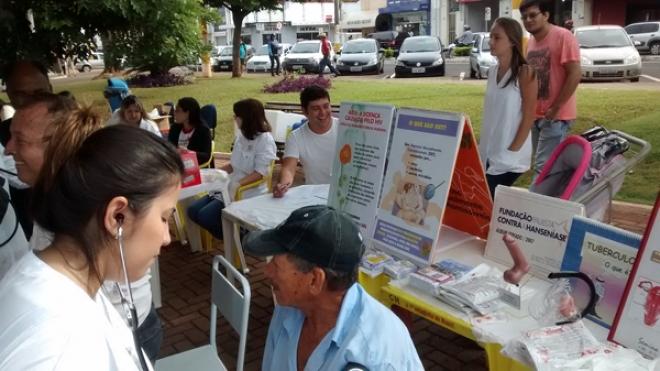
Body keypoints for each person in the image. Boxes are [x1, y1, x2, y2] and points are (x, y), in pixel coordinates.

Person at [0, 121, 184, 370]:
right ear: (118, 216)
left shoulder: (68, 283)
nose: (167, 237)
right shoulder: (57, 346)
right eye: (163, 217)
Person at [243, 205, 423, 370]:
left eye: (275, 263)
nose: (266, 271)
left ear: (314, 280)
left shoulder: (374, 356)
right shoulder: (288, 308)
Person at [187, 98, 276, 239]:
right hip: (228, 187)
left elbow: (260, 173)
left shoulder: (265, 140)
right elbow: (233, 165)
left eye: (237, 115)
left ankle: (238, 238)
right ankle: (228, 234)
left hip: (247, 190)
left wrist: (237, 184)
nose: (234, 118)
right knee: (192, 211)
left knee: (205, 216)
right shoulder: (241, 136)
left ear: (247, 118)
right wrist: (215, 173)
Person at [520, 0, 581, 179]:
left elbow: (575, 74)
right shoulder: (530, 42)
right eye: (524, 17)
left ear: (546, 15)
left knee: (543, 167)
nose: (528, 20)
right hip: (535, 115)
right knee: (547, 167)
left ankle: (537, 205)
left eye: (533, 15)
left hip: (556, 116)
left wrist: (556, 107)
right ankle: (558, 201)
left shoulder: (563, 36)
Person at [480, 17, 538, 197]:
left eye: (497, 38)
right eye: (491, 37)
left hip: (510, 157)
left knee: (486, 198)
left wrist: (513, 149)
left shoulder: (525, 73)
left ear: (512, 42)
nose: (491, 42)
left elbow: (529, 116)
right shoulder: (492, 72)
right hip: (490, 152)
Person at [0, 60, 54, 240]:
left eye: (39, 93)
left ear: (51, 87)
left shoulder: (83, 134)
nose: (32, 101)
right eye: (21, 94)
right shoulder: (2, 139)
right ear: (8, 94)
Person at [273, 86, 337, 198]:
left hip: (346, 195)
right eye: (316, 109)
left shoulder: (346, 129)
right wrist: (283, 185)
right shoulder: (296, 137)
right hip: (314, 196)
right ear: (305, 112)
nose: (323, 113)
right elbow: (288, 168)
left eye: (326, 106)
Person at [168, 97, 212, 165]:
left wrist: (188, 153)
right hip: (175, 166)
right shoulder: (175, 128)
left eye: (177, 110)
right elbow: (169, 148)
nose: (174, 113)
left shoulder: (203, 130)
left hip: (192, 166)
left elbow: (206, 156)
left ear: (187, 113)